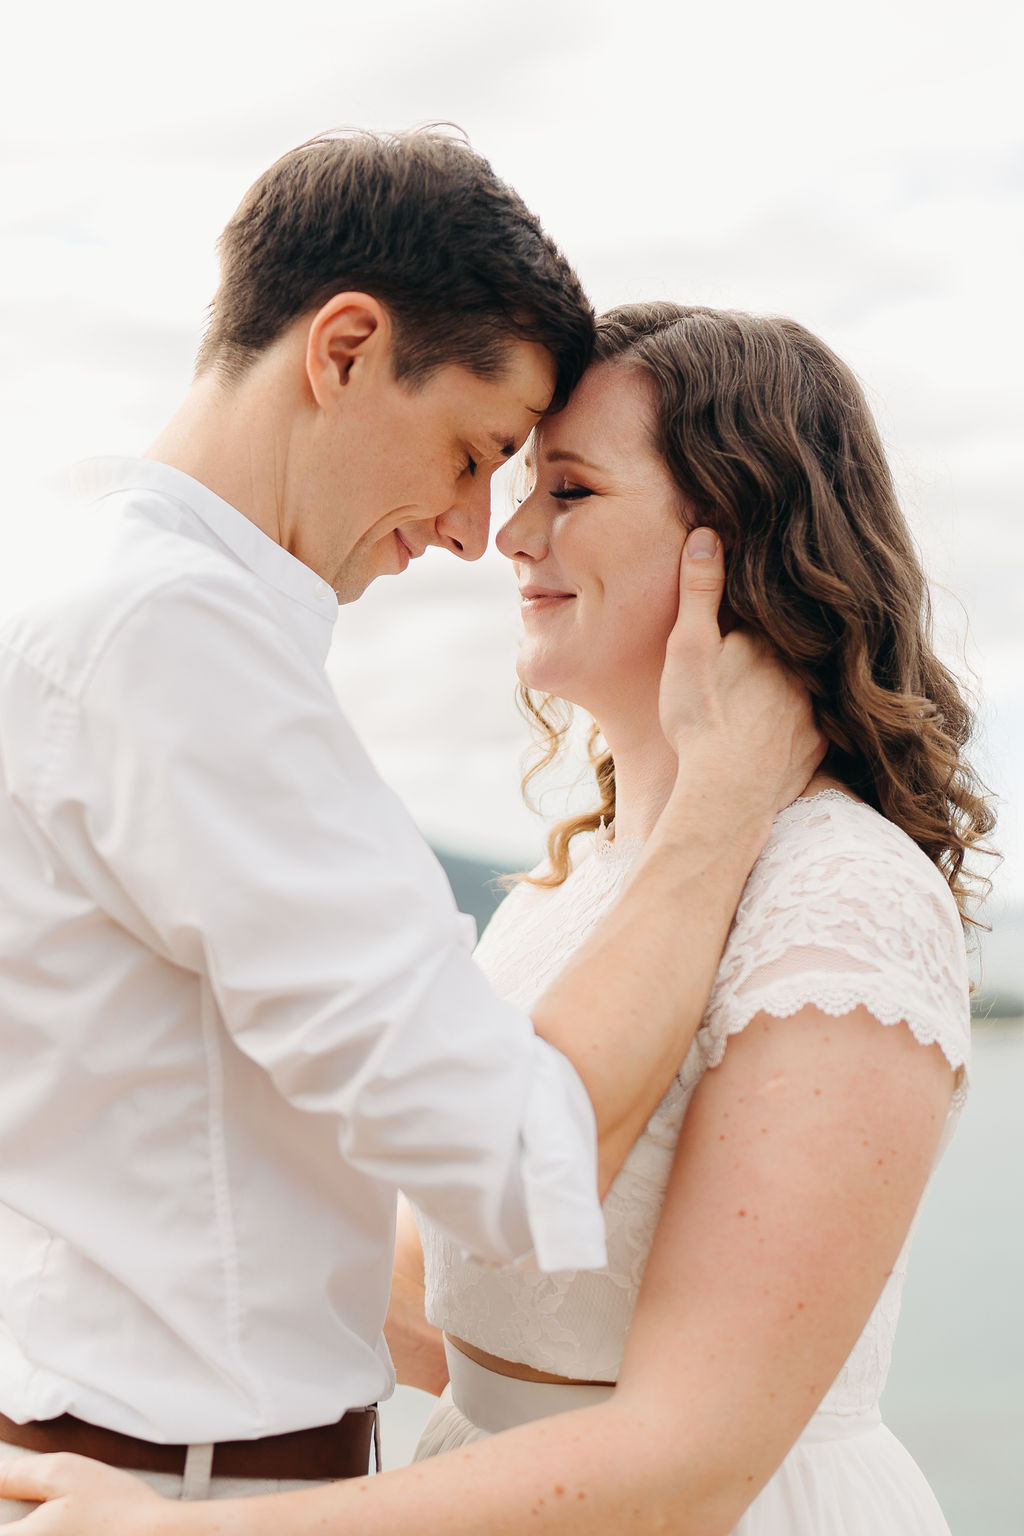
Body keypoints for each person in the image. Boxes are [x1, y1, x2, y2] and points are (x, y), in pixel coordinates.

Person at [2, 302, 993, 1535]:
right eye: (508, 478)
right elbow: (457, 1301)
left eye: (567, 490)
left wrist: (178, 1531)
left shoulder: (842, 889)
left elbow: (699, 1458)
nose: (508, 535)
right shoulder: (566, 892)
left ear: (727, 544)